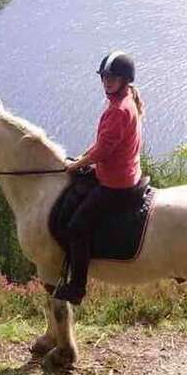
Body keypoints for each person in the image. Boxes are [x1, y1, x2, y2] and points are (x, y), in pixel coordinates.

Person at [53, 51, 146, 305]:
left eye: (112, 78)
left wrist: (75, 165)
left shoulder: (118, 110)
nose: (106, 81)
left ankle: (77, 287)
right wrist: (83, 157)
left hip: (116, 183)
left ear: (124, 80)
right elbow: (103, 144)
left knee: (76, 227)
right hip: (123, 172)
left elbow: (103, 151)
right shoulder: (126, 100)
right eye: (104, 77)